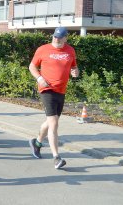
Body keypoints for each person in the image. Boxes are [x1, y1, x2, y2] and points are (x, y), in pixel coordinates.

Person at [28, 27, 79, 169]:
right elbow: (32, 66)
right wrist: (39, 78)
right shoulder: (43, 49)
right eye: (55, 37)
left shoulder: (70, 51)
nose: (56, 39)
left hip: (61, 91)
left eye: (59, 37)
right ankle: (56, 157)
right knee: (54, 122)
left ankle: (37, 143)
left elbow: (74, 67)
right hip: (46, 89)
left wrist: (75, 72)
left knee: (51, 122)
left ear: (65, 38)